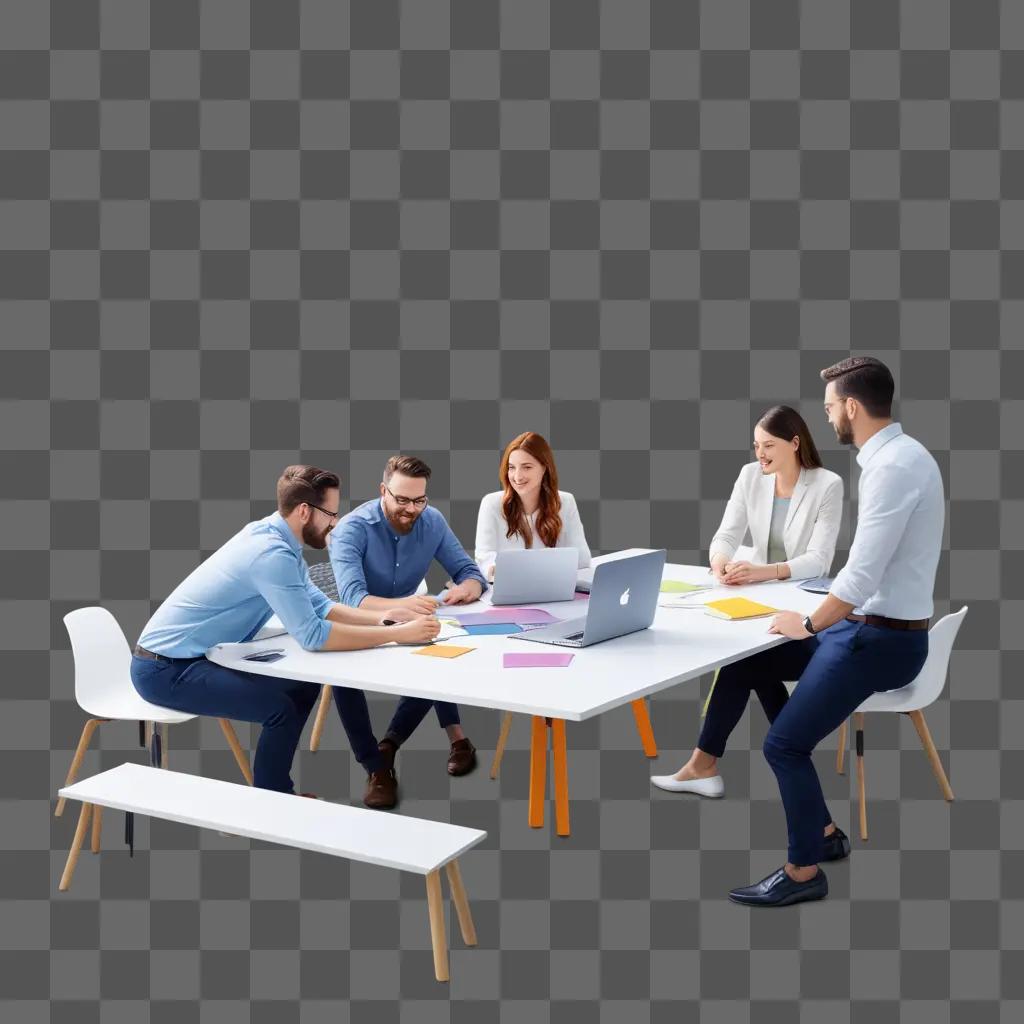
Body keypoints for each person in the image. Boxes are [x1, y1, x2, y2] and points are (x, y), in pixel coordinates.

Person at [726, 357, 943, 906]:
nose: (827, 421)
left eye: (829, 409)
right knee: (751, 663)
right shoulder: (900, 456)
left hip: (878, 641)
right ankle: (822, 830)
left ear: (851, 406)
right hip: (868, 627)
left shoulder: (892, 468)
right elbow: (864, 574)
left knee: (782, 747)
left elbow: (861, 574)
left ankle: (804, 873)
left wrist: (807, 621)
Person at [131, 466, 440, 796]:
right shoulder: (271, 554)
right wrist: (396, 635)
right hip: (163, 670)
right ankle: (272, 798)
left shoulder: (276, 537)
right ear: (305, 511)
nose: (335, 522)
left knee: (304, 685)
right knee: (279, 708)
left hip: (194, 659)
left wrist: (384, 619)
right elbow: (313, 636)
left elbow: (320, 605)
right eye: (331, 514)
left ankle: (275, 791)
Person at [650, 405, 843, 797]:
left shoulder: (827, 484)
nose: (760, 454)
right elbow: (726, 535)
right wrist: (721, 563)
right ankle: (778, 751)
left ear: (795, 442)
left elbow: (820, 561)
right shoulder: (750, 477)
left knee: (743, 662)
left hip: (806, 608)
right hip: (758, 599)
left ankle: (710, 762)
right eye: (756, 445)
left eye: (768, 445)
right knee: (748, 661)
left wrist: (762, 571)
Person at [328, 455, 488, 809]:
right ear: (383, 490)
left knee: (438, 649)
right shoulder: (351, 529)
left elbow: (468, 570)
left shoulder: (431, 520)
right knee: (341, 676)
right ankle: (376, 769)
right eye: (401, 499)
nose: (411, 509)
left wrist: (469, 587)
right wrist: (400, 610)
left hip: (411, 614)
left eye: (419, 500)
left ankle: (389, 747)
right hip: (359, 618)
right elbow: (354, 598)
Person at [474, 430, 592, 582]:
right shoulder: (491, 504)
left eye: (527, 467)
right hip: (507, 588)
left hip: (553, 587)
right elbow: (484, 559)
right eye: (511, 467)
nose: (517, 476)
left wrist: (525, 568)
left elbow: (582, 559)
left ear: (544, 468)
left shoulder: (565, 502)